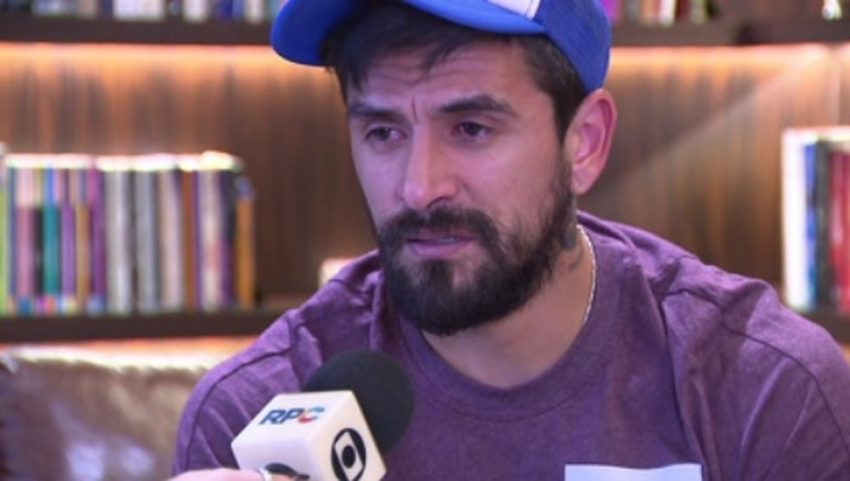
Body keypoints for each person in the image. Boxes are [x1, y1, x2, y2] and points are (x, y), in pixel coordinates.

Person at [169, 0, 850, 480]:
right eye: (383, 132)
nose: (419, 188)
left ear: (585, 143)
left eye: (471, 129)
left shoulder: (763, 389)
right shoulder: (253, 415)